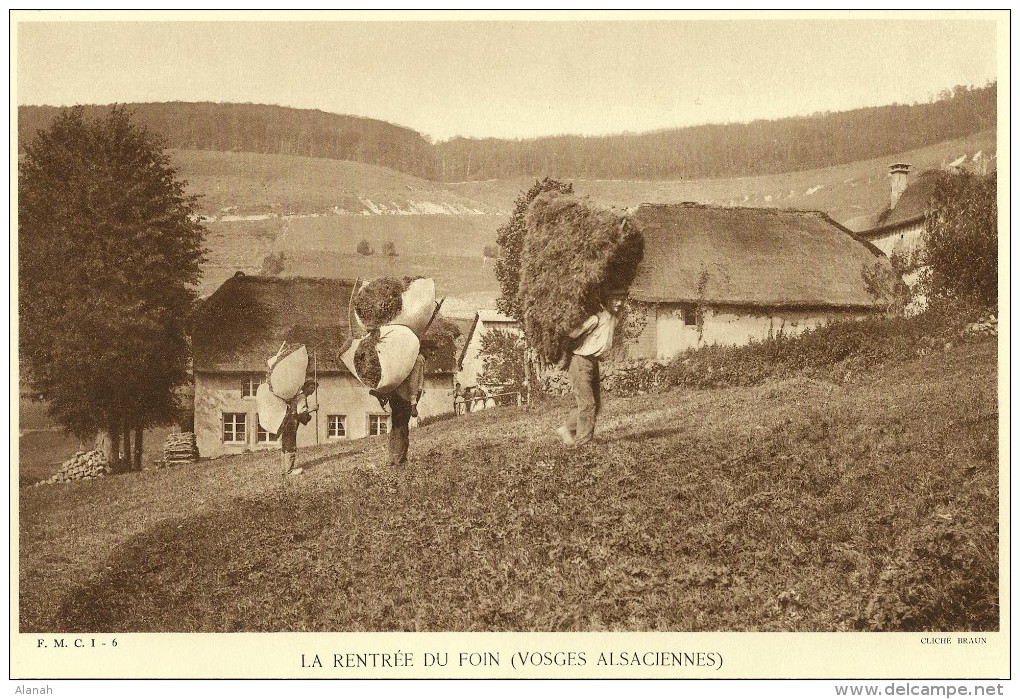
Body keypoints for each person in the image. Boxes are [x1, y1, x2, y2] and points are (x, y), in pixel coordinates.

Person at [556, 287, 627, 447]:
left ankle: (567, 429)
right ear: (607, 301)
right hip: (580, 362)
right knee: (588, 403)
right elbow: (573, 333)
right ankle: (583, 442)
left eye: (622, 299)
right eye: (615, 299)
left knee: (594, 404)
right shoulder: (596, 319)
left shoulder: (613, 319)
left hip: (592, 363)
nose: (619, 303)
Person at [388, 353, 425, 467]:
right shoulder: (418, 360)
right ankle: (399, 459)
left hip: (396, 396)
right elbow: (413, 384)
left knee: (396, 426)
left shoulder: (407, 357)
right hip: (405, 398)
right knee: (402, 427)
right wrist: (413, 405)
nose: (432, 353)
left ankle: (393, 457)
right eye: (430, 350)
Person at [280, 380, 316, 477]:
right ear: (306, 387)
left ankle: (285, 470)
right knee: (290, 445)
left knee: (285, 446)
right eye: (311, 387)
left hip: (286, 422)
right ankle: (289, 471)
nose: (313, 390)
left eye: (314, 388)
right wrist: (313, 409)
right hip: (292, 423)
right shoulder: (302, 397)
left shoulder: (297, 396)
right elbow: (301, 412)